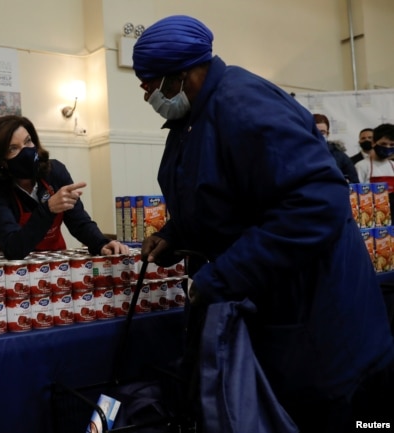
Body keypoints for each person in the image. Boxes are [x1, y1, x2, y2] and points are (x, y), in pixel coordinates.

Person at [132, 15, 394, 432]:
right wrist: (173, 235)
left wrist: (225, 275)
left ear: (182, 75)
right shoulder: (193, 117)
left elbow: (316, 204)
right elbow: (220, 195)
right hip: (274, 308)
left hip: (317, 319)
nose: (144, 91)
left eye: (149, 81)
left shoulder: (244, 104)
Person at [0, 115, 129, 260]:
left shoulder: (54, 172)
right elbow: (13, 248)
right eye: (13, 148)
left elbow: (79, 222)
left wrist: (101, 243)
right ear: (0, 160)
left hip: (54, 266)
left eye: (28, 141)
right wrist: (48, 209)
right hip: (14, 272)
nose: (26, 151)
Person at [312, 113, 359, 183]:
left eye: (322, 132)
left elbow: (354, 183)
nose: (319, 135)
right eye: (315, 132)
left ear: (328, 134)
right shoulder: (299, 155)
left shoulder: (340, 156)